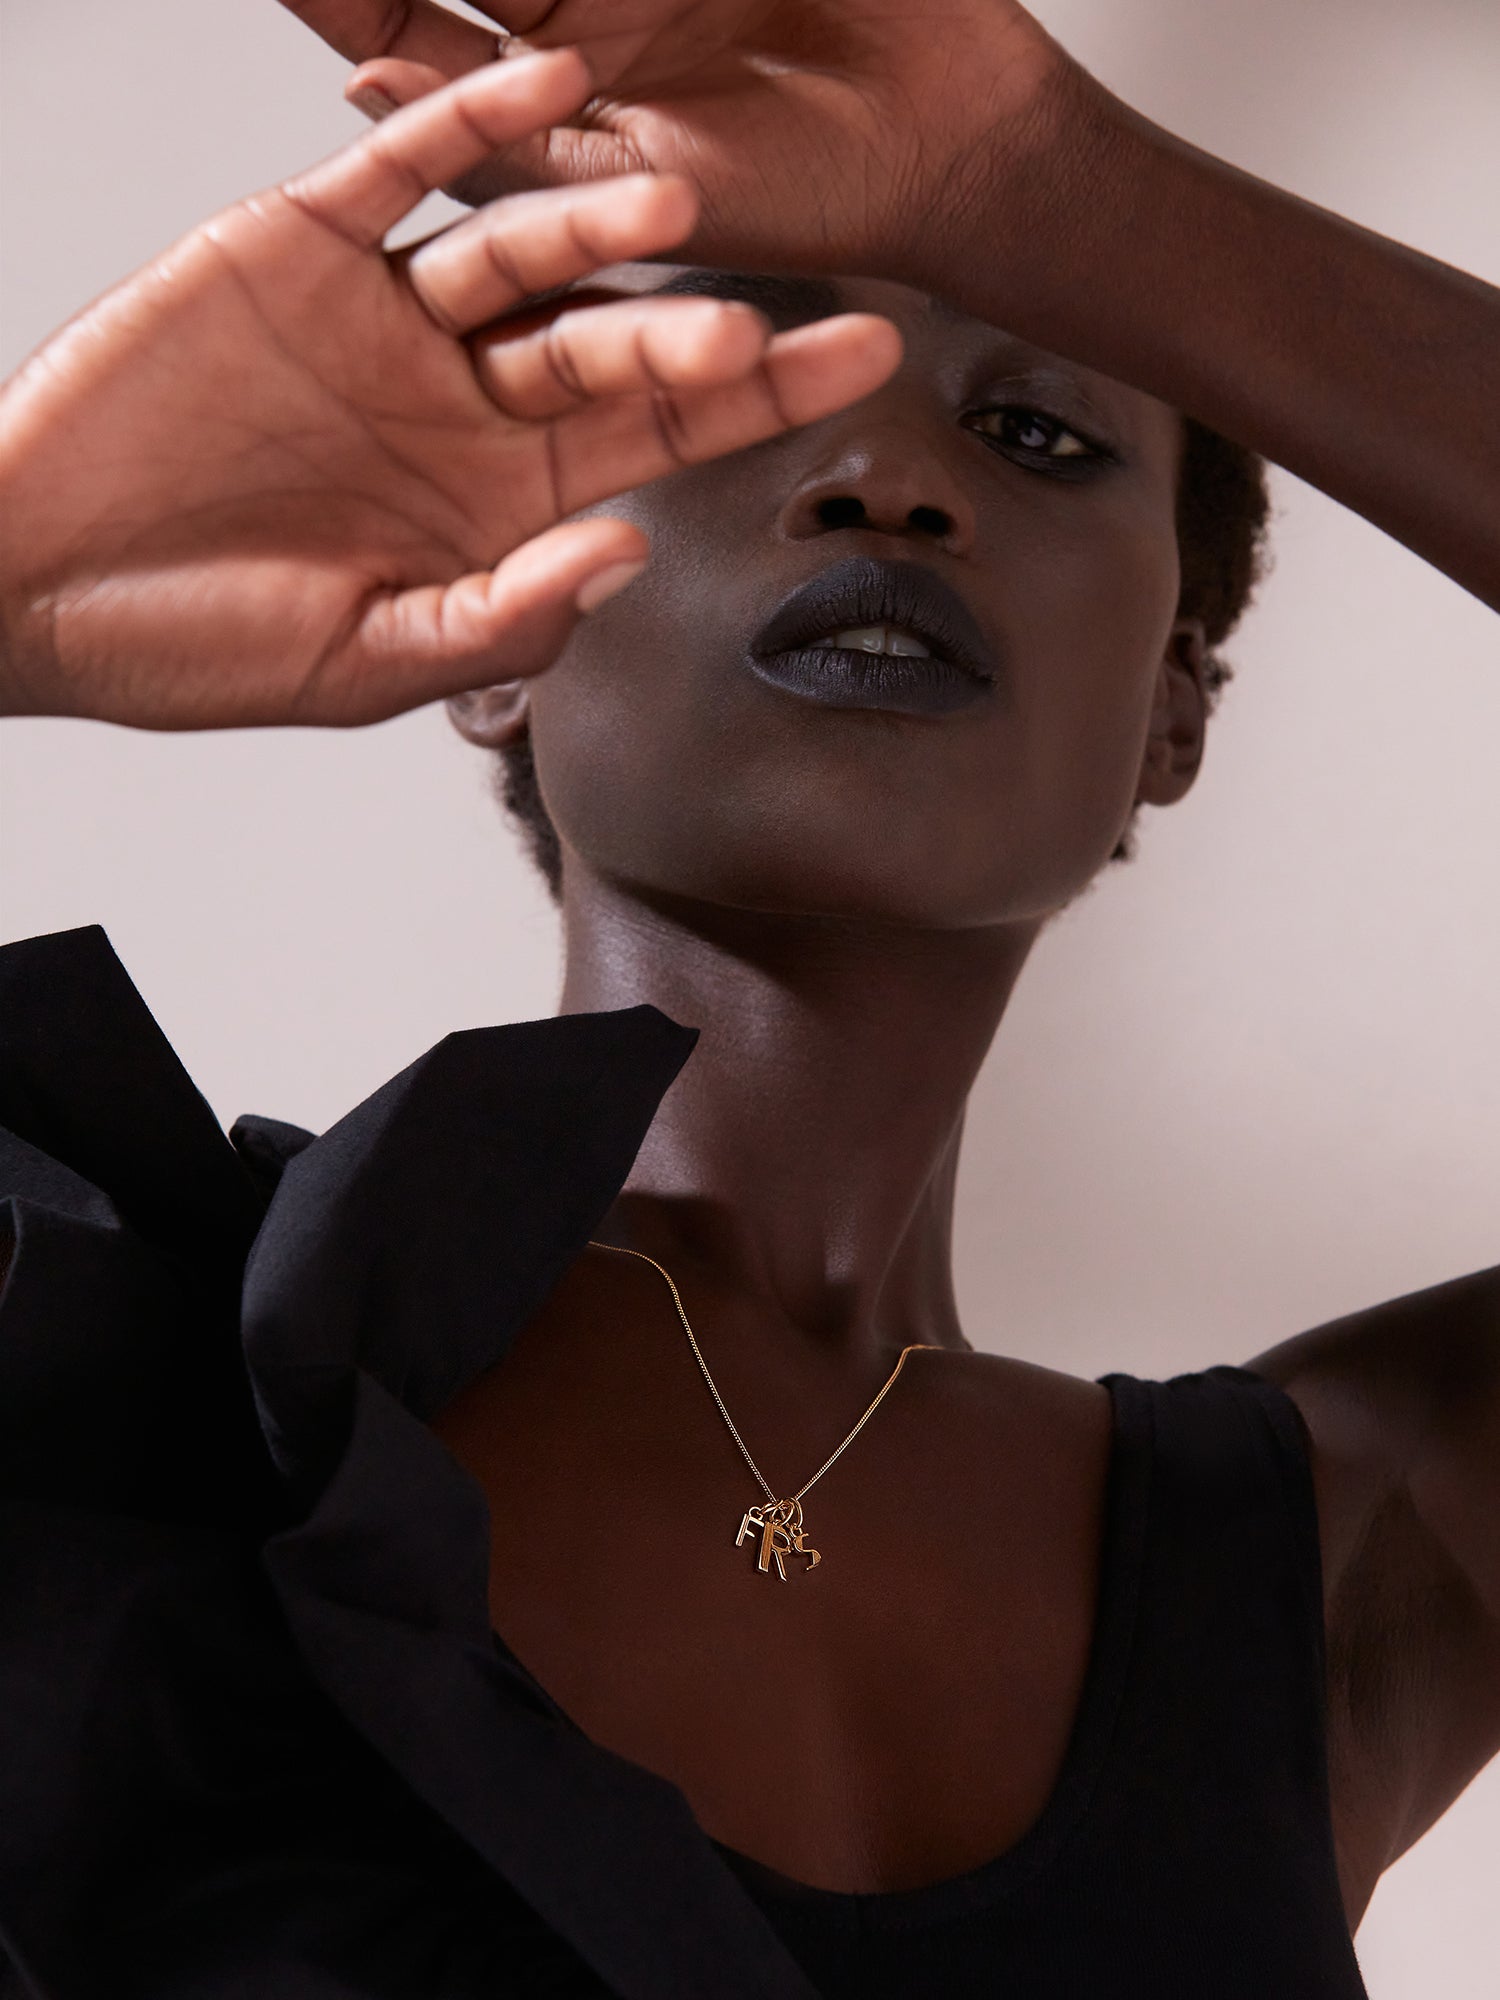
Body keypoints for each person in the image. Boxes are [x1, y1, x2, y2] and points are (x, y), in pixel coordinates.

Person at [1, 4, 1496, 1994]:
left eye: (1038, 435)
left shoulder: (1337, 1555)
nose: (888, 475)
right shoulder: (90, 1350)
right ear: (494, 629)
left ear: (1172, 717)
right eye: (724, 395)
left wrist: (1065, 191)